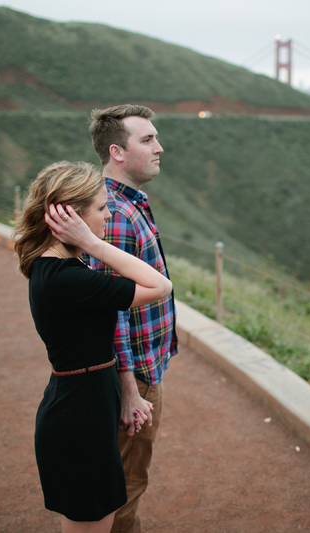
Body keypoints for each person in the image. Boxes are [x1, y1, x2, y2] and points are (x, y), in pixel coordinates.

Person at [13, 161, 172, 533]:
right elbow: (160, 286)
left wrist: (127, 395)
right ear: (73, 215)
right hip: (81, 419)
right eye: (101, 208)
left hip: (82, 406)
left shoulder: (55, 267)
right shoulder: (68, 278)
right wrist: (94, 243)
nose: (109, 213)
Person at [88, 105, 177, 533]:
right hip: (135, 377)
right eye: (147, 140)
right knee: (127, 484)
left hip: (141, 370)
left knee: (126, 482)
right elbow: (114, 311)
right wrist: (130, 392)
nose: (160, 148)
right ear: (116, 152)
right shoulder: (118, 215)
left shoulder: (122, 203)